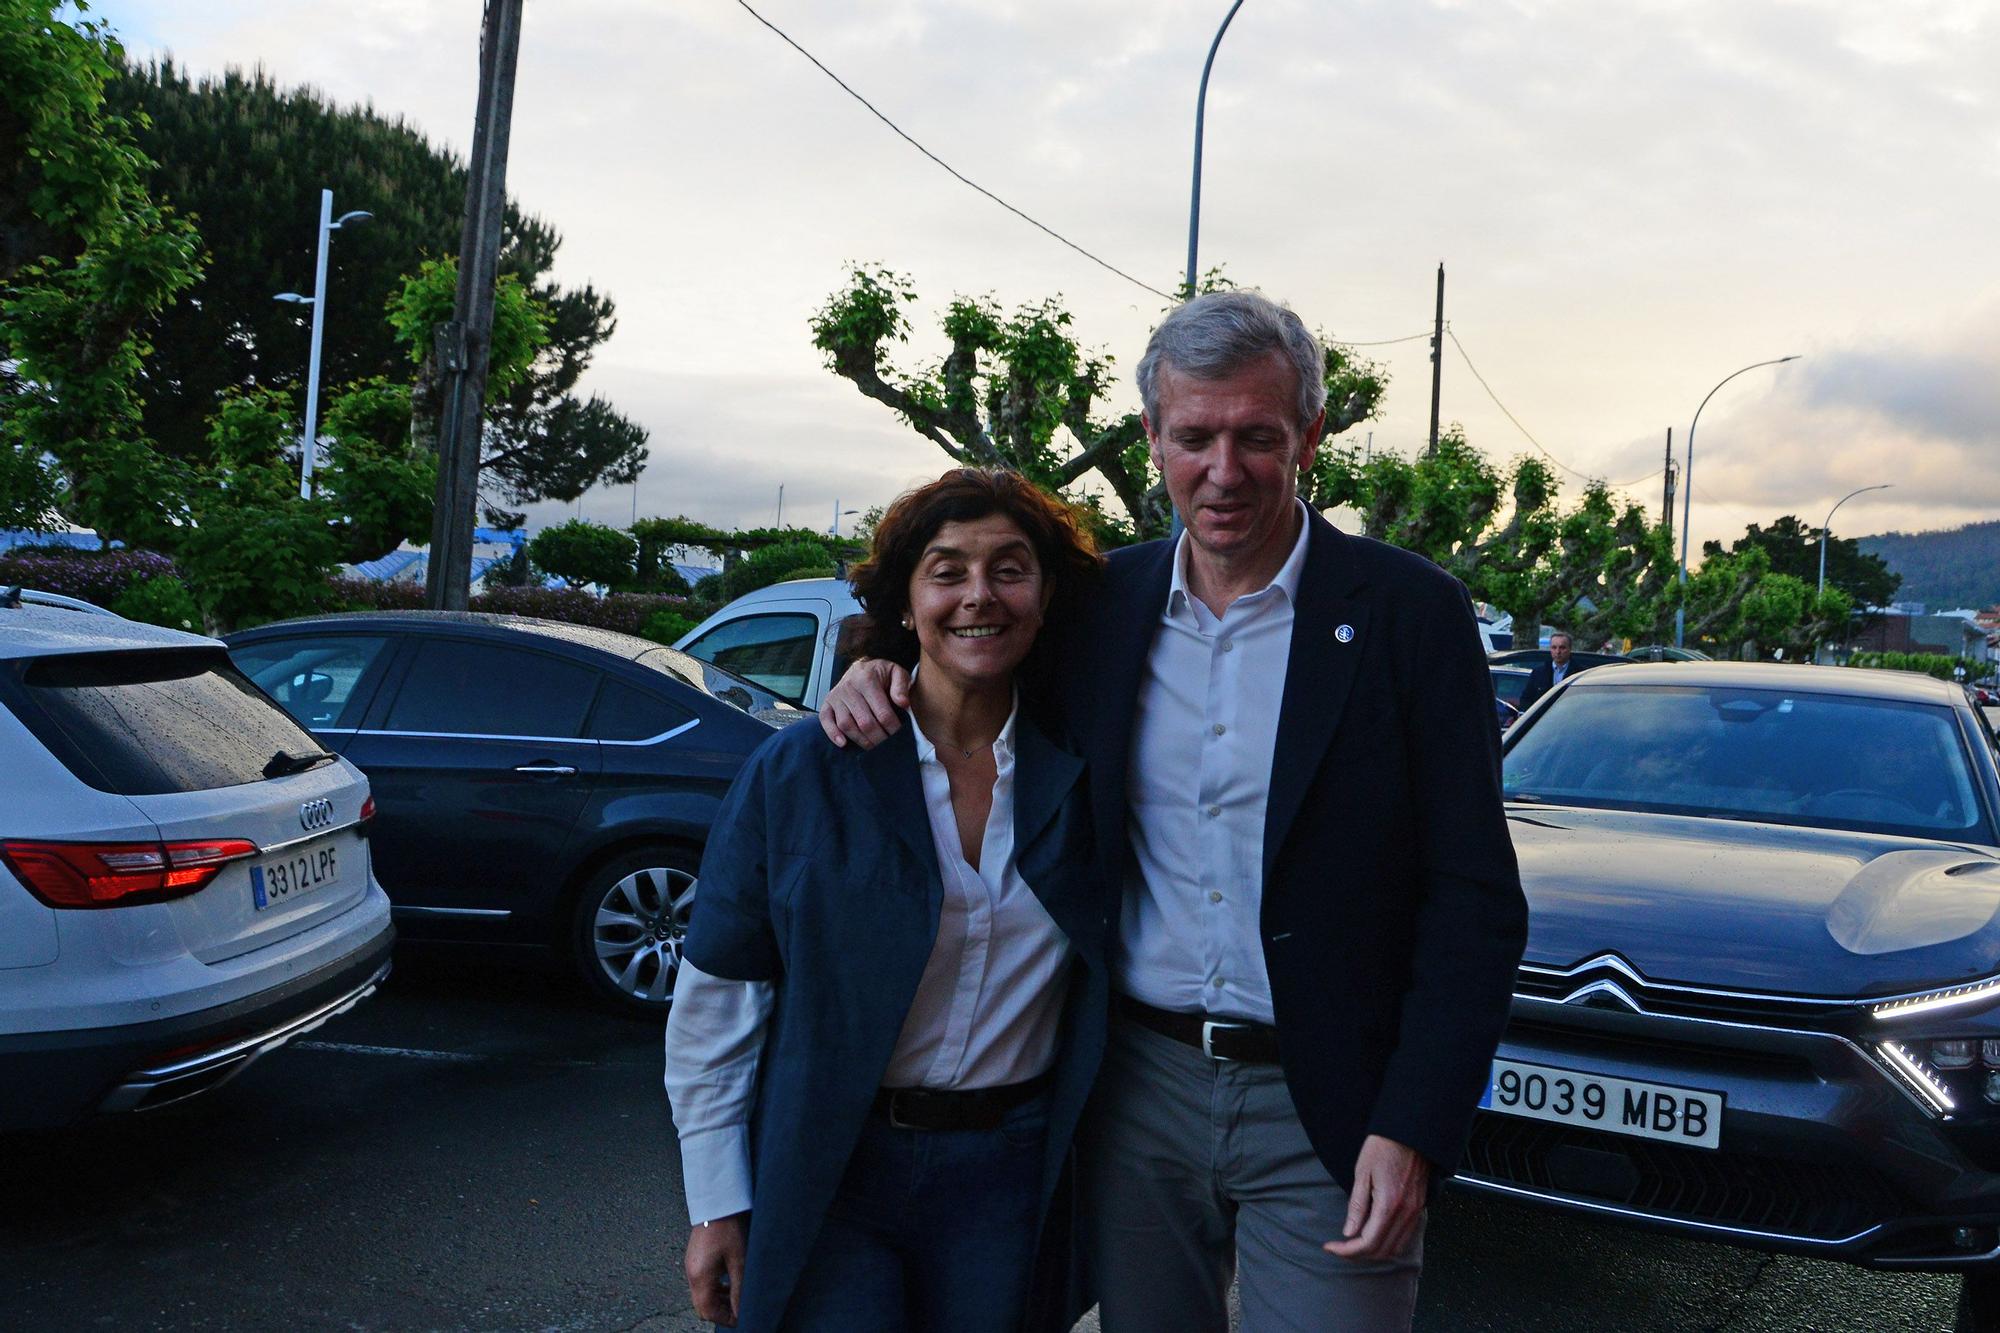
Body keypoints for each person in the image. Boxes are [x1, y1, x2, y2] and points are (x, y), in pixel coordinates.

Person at [822, 290, 1528, 1331]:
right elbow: (968, 631)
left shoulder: (1406, 613)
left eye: (1257, 436)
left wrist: (1414, 1122)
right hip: (1133, 1090)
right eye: (1193, 436)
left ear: (1310, 434)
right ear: (1150, 435)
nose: (1223, 470)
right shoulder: (1100, 606)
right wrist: (871, 663)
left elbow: (1470, 895)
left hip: (1328, 1099)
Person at [665, 468, 1108, 1332]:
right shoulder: (806, 771)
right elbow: (720, 993)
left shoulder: (1092, 768)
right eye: (946, 570)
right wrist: (716, 1202)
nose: (979, 595)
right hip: (836, 1165)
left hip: (1009, 1173)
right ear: (906, 602)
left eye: (1010, 568)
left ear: (1046, 594)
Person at [1518, 630, 1582, 711]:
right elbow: (1526, 699)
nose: (1558, 652)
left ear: (1570, 649)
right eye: (1554, 647)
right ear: (1550, 649)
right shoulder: (1538, 673)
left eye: (1562, 648)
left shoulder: (1580, 673)